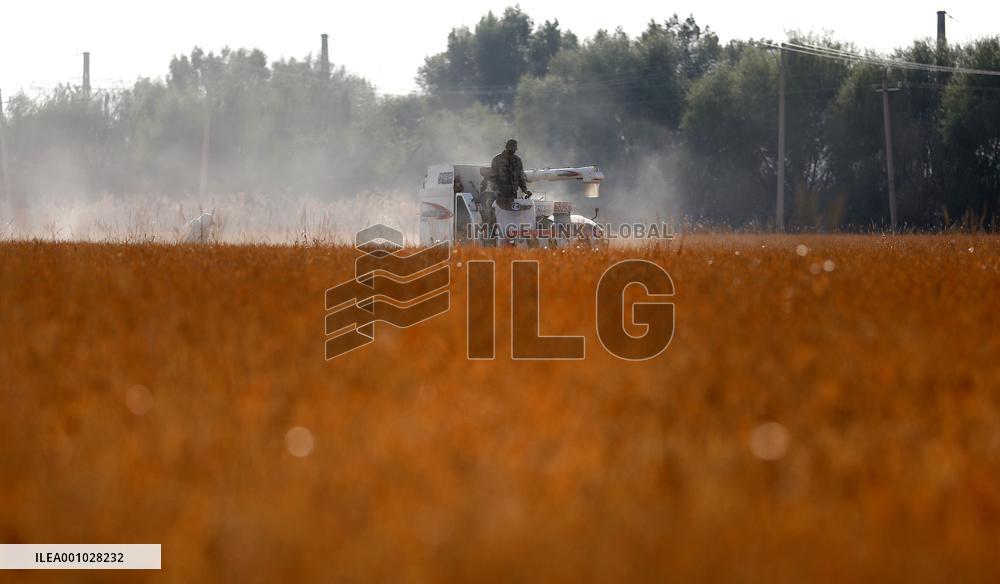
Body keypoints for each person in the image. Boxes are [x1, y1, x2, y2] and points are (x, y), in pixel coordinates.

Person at [489, 139, 532, 205]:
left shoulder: (517, 160)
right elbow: (492, 177)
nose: (513, 150)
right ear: (506, 147)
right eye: (511, 149)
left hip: (513, 193)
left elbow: (521, 176)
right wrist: (495, 189)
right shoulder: (497, 159)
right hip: (500, 193)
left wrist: (524, 190)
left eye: (514, 149)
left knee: (512, 212)